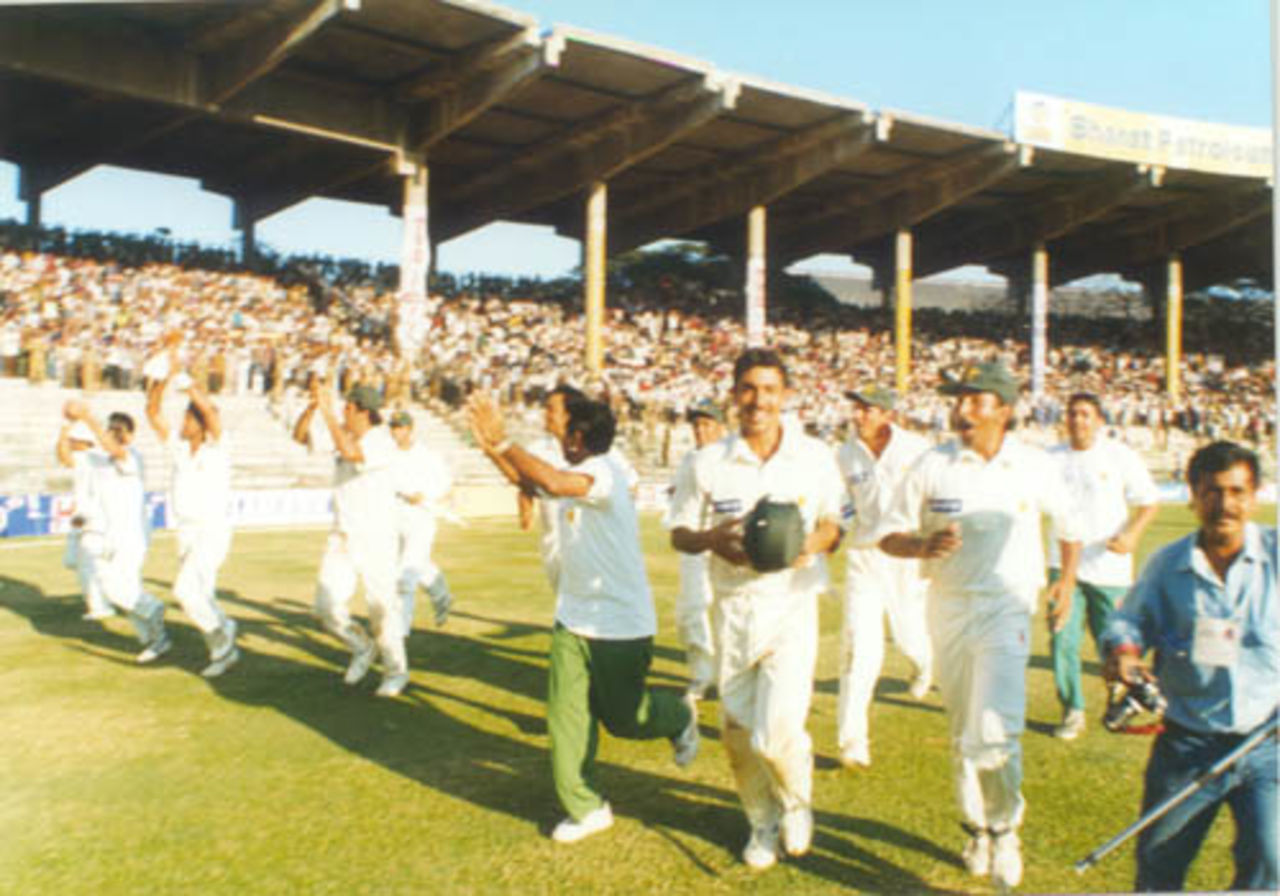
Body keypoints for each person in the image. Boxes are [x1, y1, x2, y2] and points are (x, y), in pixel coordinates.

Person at [877, 361, 1083, 890]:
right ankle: (976, 828)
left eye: (974, 399)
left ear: (1004, 410)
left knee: (996, 731)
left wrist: (1066, 581)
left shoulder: (1032, 465)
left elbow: (1068, 523)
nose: (961, 409)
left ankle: (1006, 827)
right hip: (947, 606)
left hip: (1008, 606)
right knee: (962, 731)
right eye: (958, 400)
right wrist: (922, 546)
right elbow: (887, 535)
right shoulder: (932, 464)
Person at [467, 391, 698, 844]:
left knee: (624, 719)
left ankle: (677, 717)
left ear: (577, 432)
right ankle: (587, 806)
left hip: (621, 622)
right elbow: (532, 482)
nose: (546, 416)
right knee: (566, 717)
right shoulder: (570, 466)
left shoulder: (605, 470)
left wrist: (505, 439)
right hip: (573, 616)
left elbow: (554, 484)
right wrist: (494, 448)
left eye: (555, 412)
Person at [669, 348, 844, 871]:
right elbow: (678, 532)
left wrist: (805, 545)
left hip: (791, 605)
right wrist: (709, 540)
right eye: (748, 388)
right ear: (734, 394)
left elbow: (835, 525)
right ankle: (760, 822)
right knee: (739, 733)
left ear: (786, 396)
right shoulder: (706, 461)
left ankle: (796, 803)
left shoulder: (813, 456)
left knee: (777, 730)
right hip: (734, 608)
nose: (758, 400)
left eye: (769, 390)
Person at [1102, 441, 1276, 892]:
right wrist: (1124, 651)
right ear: (1194, 495)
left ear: (1254, 495)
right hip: (1187, 742)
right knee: (1159, 861)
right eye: (1212, 491)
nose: (1225, 505)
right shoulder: (1169, 564)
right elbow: (1128, 619)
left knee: (1271, 860)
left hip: (1267, 742)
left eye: (1237, 492)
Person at [1047, 392, 1158, 739]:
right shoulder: (1049, 459)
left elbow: (1149, 502)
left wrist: (1132, 536)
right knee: (1061, 640)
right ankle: (1072, 710)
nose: (1078, 420)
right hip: (1063, 566)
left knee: (1113, 642)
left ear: (1099, 420)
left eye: (1085, 414)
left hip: (1109, 568)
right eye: (1072, 413)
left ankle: (1122, 697)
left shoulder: (1119, 456)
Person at [835, 384, 933, 769]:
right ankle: (852, 741)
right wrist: (835, 531)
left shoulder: (917, 450)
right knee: (860, 648)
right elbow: (842, 504)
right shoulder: (845, 453)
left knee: (911, 638)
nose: (859, 416)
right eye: (856, 409)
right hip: (865, 556)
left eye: (868, 410)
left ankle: (924, 664)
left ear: (888, 414)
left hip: (907, 557)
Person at [294, 380, 406, 697]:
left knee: (381, 609)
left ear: (361, 411)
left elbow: (351, 453)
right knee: (326, 607)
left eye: (347, 407)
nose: (343, 411)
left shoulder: (380, 442)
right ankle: (361, 647)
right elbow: (300, 436)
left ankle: (396, 672)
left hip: (376, 537)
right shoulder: (343, 435)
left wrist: (328, 413)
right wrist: (314, 406)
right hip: (342, 535)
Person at [145, 369, 240, 677]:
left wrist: (187, 383)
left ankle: (225, 640)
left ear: (201, 425)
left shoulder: (219, 447)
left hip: (212, 529)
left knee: (185, 591)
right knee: (202, 594)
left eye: (188, 419)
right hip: (185, 530)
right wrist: (166, 375)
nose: (182, 424)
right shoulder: (180, 448)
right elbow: (152, 411)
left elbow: (210, 412)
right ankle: (221, 644)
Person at [61, 400, 170, 663]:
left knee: (119, 590)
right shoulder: (99, 460)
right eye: (112, 429)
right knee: (120, 590)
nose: (114, 433)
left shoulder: (133, 457)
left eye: (119, 430)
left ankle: (155, 614)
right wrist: (68, 426)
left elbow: (115, 449)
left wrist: (87, 415)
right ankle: (155, 639)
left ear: (130, 435)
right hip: (107, 534)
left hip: (132, 535)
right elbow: (67, 457)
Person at [664, 398, 726, 700]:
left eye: (707, 424)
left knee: (719, 610)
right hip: (691, 543)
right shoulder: (691, 457)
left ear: (721, 427)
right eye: (697, 424)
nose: (700, 430)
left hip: (716, 544)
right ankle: (703, 675)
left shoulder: (726, 457)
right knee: (692, 611)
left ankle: (725, 675)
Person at [388, 410, 454, 631]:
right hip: (395, 518)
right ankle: (442, 596)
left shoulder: (427, 456)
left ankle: (399, 631)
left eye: (401, 427)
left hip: (421, 519)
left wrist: (424, 495)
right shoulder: (387, 455)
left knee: (405, 574)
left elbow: (446, 486)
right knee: (416, 566)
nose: (396, 432)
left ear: (410, 429)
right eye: (394, 427)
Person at [55, 418, 115, 621]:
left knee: (89, 565)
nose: (70, 444)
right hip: (83, 518)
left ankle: (100, 606)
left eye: (73, 440)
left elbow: (64, 456)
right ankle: (101, 601)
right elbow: (64, 456)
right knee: (75, 561)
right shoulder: (90, 457)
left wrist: (64, 432)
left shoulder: (92, 457)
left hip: (95, 519)